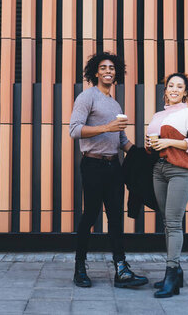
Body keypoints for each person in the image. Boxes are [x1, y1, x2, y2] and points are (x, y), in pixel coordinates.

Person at [69, 52, 148, 289]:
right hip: (93, 165)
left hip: (115, 166)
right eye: (103, 67)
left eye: (112, 68)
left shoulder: (115, 103)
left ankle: (121, 270)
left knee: (115, 217)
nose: (108, 71)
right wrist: (107, 126)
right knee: (90, 216)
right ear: (95, 72)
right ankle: (80, 268)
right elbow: (74, 130)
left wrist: (143, 152)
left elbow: (121, 139)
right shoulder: (86, 97)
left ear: (116, 73)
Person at [145, 72, 188, 298]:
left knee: (173, 222)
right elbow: (154, 145)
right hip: (159, 170)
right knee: (167, 222)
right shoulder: (158, 115)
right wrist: (150, 144)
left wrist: (168, 141)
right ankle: (176, 272)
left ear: (185, 92)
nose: (174, 89)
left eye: (179, 86)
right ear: (165, 90)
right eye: (171, 85)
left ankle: (171, 273)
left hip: (181, 171)